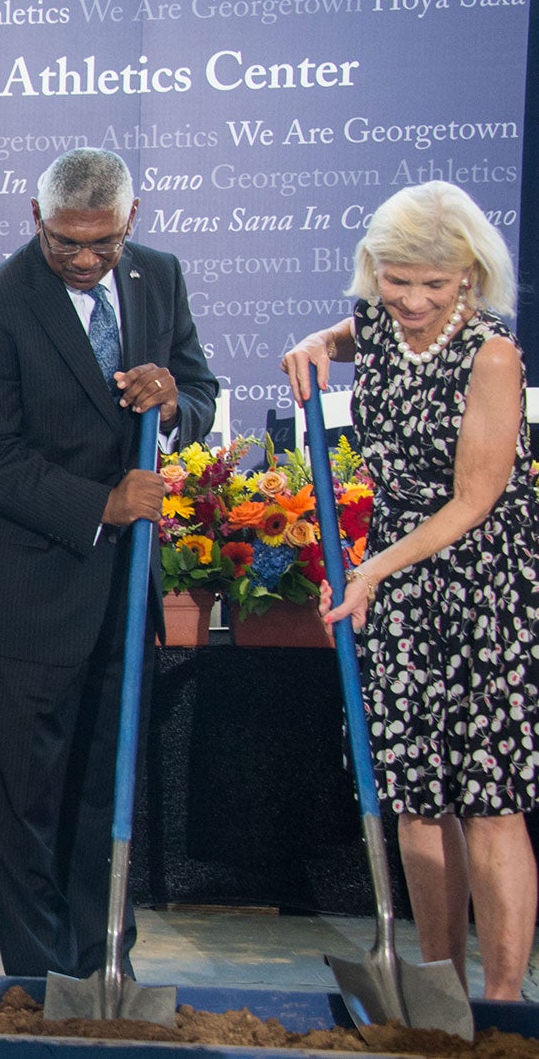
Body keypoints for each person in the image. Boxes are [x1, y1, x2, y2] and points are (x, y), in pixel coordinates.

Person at [0, 147, 217, 978]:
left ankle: (104, 967)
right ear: (36, 219)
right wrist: (102, 504)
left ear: (132, 221)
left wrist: (175, 402)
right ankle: (36, 981)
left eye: (103, 243)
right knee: (24, 806)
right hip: (25, 598)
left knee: (108, 795)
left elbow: (200, 395)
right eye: (67, 243)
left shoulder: (158, 279)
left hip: (122, 600)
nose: (87, 259)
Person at [280, 180, 536, 1000]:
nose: (415, 300)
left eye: (436, 283)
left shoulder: (492, 352)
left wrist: (373, 568)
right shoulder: (384, 330)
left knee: (488, 797)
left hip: (480, 581)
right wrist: (315, 342)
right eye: (398, 280)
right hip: (395, 575)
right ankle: (439, 984)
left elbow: (475, 498)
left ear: (470, 273)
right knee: (417, 794)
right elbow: (347, 338)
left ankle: (501, 999)